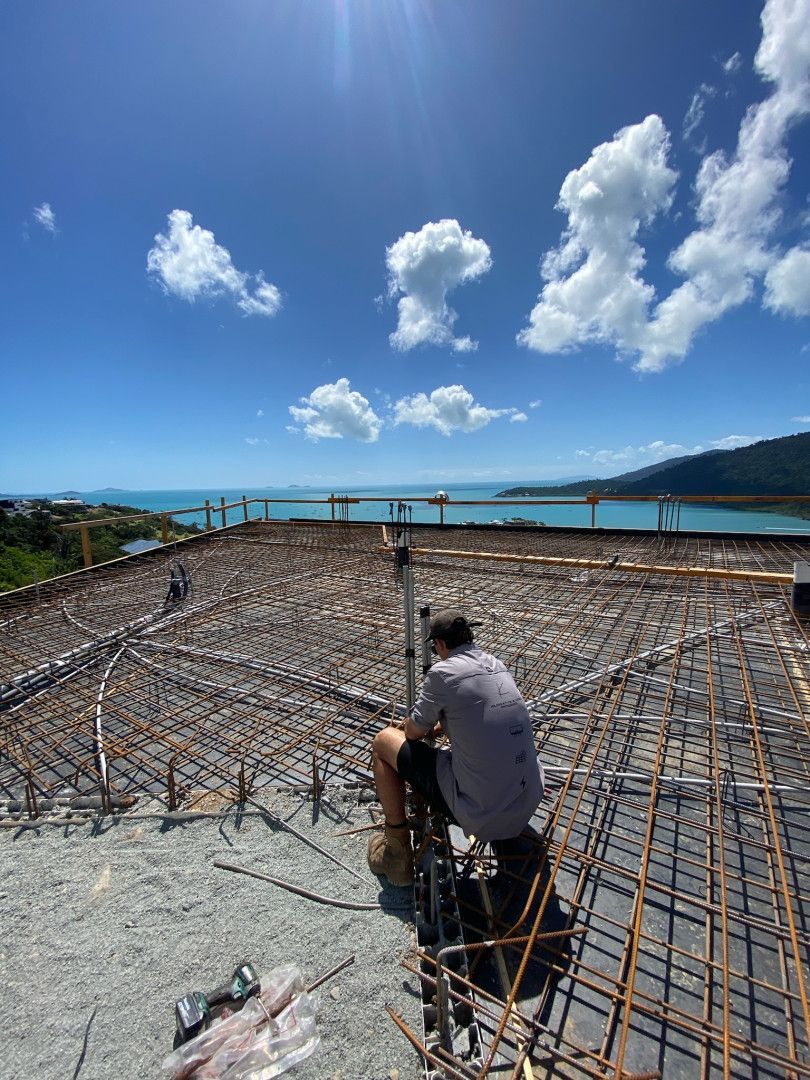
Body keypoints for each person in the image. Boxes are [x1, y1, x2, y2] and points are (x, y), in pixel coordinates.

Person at [367, 609, 543, 886]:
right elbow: (477, 716)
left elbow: (413, 732)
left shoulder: (443, 672)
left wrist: (411, 726)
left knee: (382, 743)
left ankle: (396, 855)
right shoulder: (497, 664)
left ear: (439, 644)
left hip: (483, 813)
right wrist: (441, 724)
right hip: (526, 801)